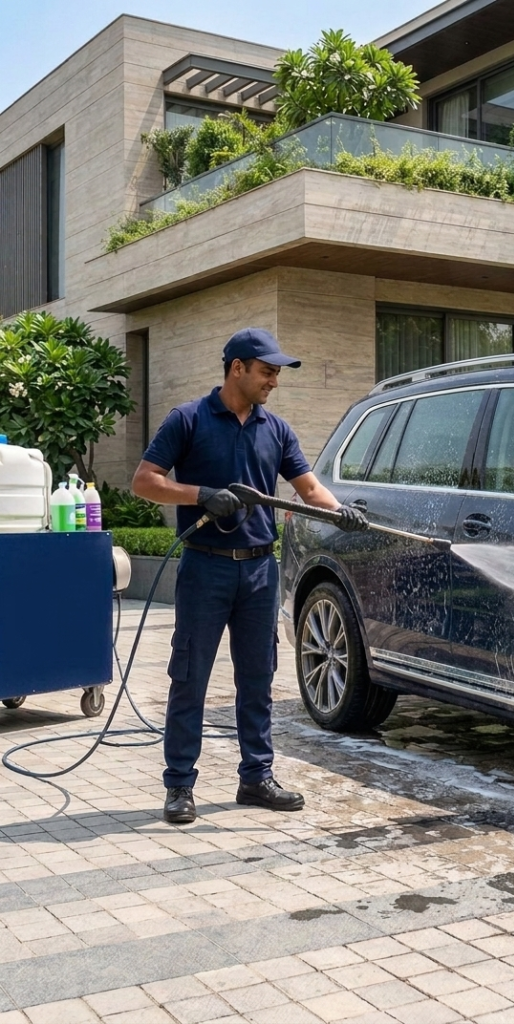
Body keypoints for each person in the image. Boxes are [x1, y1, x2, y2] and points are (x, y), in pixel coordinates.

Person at [132, 327, 367, 824]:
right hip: (205, 569)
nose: (274, 381)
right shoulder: (189, 419)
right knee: (189, 677)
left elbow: (309, 489)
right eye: (267, 371)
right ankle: (179, 786)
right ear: (236, 368)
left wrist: (343, 512)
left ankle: (256, 778)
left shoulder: (276, 430)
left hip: (261, 570)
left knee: (258, 678)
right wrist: (201, 495)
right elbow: (145, 482)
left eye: (277, 373)